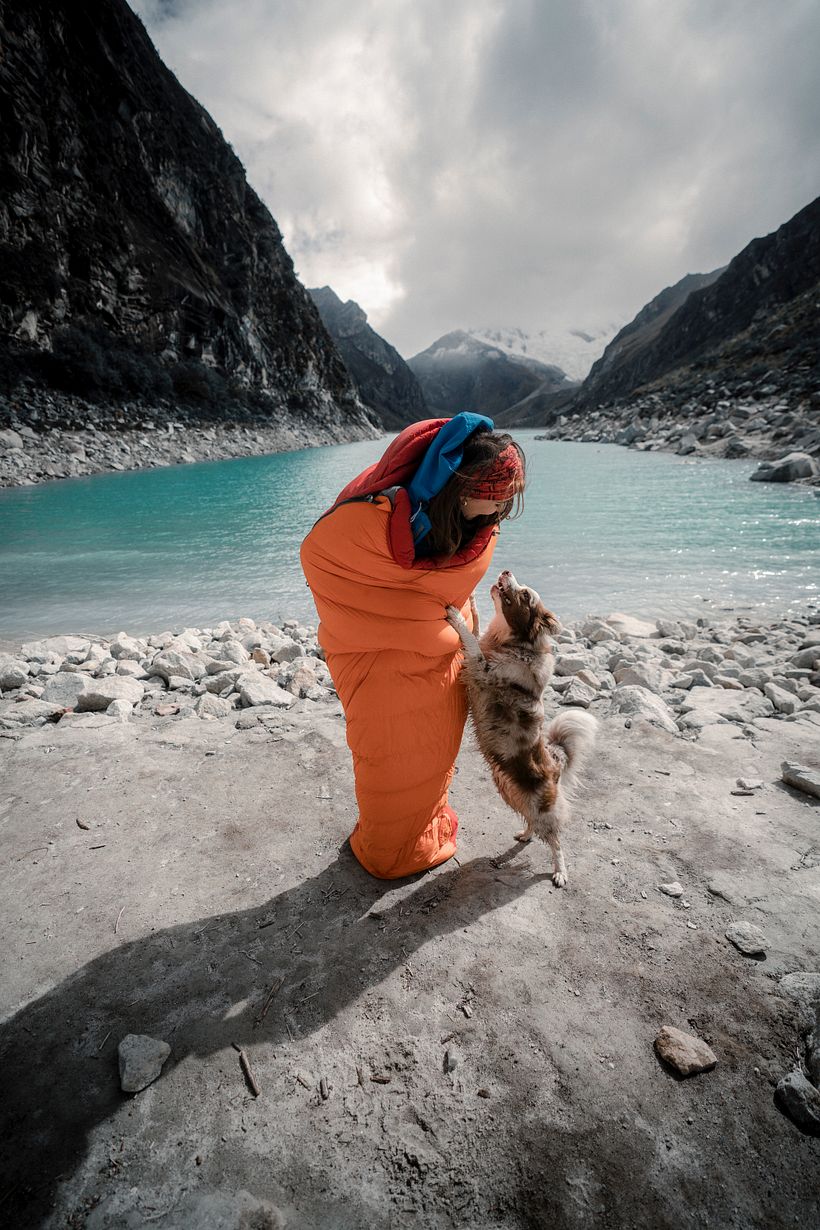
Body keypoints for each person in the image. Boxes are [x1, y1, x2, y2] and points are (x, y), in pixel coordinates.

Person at [300, 413, 526, 879]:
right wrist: (423, 620)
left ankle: (421, 830)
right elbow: (324, 558)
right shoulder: (377, 513)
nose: (502, 510)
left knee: (430, 751)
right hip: (376, 656)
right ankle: (389, 852)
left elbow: (452, 588)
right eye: (498, 498)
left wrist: (445, 619)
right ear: (464, 490)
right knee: (389, 754)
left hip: (439, 657)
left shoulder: (475, 518)